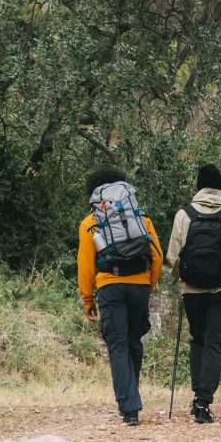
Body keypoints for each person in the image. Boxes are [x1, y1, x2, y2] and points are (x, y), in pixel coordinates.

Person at [165, 164, 221, 424]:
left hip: (192, 292)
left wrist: (182, 278)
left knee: (198, 341)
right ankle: (204, 402)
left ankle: (196, 396)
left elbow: (172, 257)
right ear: (220, 187)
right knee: (214, 346)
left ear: (198, 186)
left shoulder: (184, 215)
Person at [78, 167, 163, 426]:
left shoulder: (90, 222)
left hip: (109, 287)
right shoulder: (140, 218)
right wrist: (148, 285)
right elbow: (157, 255)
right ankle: (131, 397)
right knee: (133, 341)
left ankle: (129, 408)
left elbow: (86, 264)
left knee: (117, 345)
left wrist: (87, 299)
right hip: (139, 285)